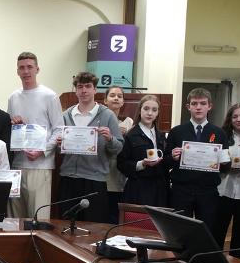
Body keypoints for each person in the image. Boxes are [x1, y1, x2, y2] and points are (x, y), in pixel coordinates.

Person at [57, 72, 124, 223]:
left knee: (93, 227)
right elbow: (58, 151)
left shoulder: (107, 115)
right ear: (76, 91)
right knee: (67, 225)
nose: (84, 90)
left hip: (94, 180)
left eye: (88, 86)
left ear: (95, 90)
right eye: (80, 87)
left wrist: (110, 139)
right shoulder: (66, 115)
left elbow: (118, 148)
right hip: (69, 178)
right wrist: (59, 144)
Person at [7, 52, 64, 220]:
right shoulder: (13, 97)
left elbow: (59, 130)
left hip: (40, 165)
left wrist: (42, 150)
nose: (26, 71)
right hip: (16, 165)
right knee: (15, 218)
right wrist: (14, 124)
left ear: (37, 69)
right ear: (17, 71)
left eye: (29, 67)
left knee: (38, 217)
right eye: (22, 68)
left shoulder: (49, 96)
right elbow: (9, 129)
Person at [164, 87, 230, 232]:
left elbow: (225, 168)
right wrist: (172, 157)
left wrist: (225, 162)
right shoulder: (176, 131)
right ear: (188, 107)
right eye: (194, 103)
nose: (198, 107)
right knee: (180, 231)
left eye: (203, 103)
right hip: (181, 190)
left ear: (209, 106)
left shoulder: (219, 133)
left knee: (206, 231)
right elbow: (165, 162)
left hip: (208, 191)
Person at [212, 103, 240, 257]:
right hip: (223, 191)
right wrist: (225, 165)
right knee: (217, 231)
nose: (239, 119)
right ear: (230, 119)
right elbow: (212, 161)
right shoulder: (221, 136)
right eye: (235, 116)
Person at [117, 95, 168, 208]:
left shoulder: (161, 136)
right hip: (138, 189)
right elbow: (121, 164)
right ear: (140, 110)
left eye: (154, 110)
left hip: (159, 189)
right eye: (146, 109)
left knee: (157, 219)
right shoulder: (130, 135)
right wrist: (142, 164)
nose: (150, 113)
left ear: (158, 113)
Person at [104, 86, 133, 223]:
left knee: (115, 215)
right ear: (105, 100)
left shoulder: (129, 122)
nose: (116, 98)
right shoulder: (99, 119)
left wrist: (125, 135)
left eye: (119, 96)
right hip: (101, 170)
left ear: (123, 102)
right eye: (112, 95)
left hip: (119, 172)